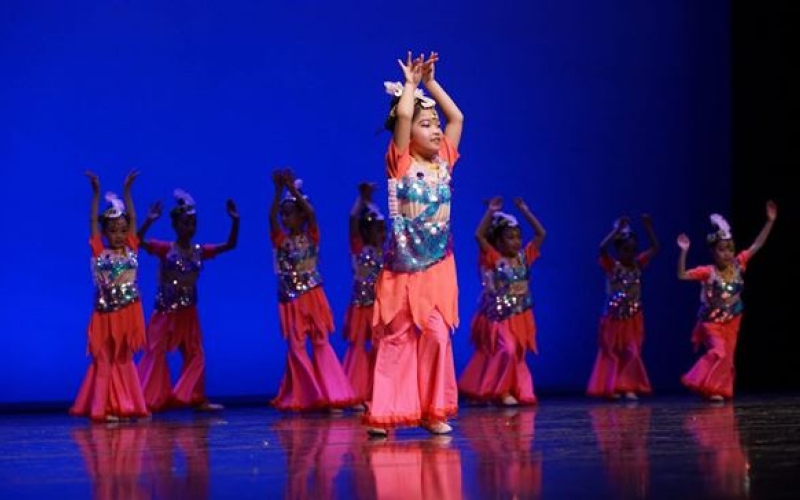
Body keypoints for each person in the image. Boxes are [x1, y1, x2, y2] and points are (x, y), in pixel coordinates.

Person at [365, 51, 464, 436]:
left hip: (437, 268)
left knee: (437, 335)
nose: (436, 130)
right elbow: (404, 116)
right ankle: (385, 412)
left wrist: (432, 83)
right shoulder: (401, 163)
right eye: (427, 125)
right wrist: (410, 85)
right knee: (397, 336)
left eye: (435, 125)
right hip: (403, 269)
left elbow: (457, 118)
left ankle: (434, 410)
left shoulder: (445, 161)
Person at [135, 189, 239, 412]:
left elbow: (230, 245)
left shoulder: (199, 251)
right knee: (155, 352)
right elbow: (136, 241)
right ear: (175, 225)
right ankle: (149, 400)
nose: (190, 228)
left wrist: (235, 221)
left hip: (188, 313)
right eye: (185, 223)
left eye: (193, 223)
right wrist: (149, 221)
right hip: (165, 312)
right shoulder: (165, 249)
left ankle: (196, 398)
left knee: (195, 354)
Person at [269, 168, 356, 411]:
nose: (284, 218)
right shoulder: (280, 240)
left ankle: (332, 395)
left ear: (301, 216)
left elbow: (311, 213)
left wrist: (292, 190)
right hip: (291, 300)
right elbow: (271, 218)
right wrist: (279, 191)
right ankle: (307, 396)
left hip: (314, 296)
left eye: (289, 214)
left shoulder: (312, 235)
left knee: (320, 342)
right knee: (296, 346)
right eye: (284, 214)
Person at [677, 200, 777, 401]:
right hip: (711, 321)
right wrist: (684, 251)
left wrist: (770, 222)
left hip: (733, 318)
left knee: (727, 358)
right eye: (722, 250)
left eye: (730, 249)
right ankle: (702, 383)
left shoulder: (739, 264)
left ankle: (715, 390)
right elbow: (682, 275)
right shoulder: (708, 271)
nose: (727, 254)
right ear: (713, 252)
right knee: (719, 353)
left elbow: (757, 244)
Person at [70, 170, 150, 422]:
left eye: (123, 230)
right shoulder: (98, 250)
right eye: (113, 230)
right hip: (104, 314)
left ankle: (125, 405)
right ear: (105, 232)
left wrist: (127, 192)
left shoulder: (132, 248)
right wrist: (96, 194)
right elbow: (93, 221)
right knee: (103, 358)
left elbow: (134, 218)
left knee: (124, 358)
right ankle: (101, 409)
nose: (119, 235)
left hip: (129, 312)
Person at [458, 196, 546, 406]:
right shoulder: (493, 258)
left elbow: (541, 234)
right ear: (498, 241)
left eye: (518, 237)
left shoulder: (524, 257)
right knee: (507, 350)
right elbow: (479, 235)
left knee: (516, 353)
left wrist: (525, 210)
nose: (516, 241)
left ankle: (499, 390)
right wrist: (490, 211)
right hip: (497, 318)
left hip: (521, 316)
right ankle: (502, 391)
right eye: (510, 237)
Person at [586, 214, 659, 401]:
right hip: (613, 318)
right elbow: (602, 248)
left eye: (633, 250)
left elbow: (655, 248)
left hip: (633, 318)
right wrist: (616, 231)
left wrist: (648, 228)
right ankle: (612, 387)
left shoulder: (638, 264)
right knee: (612, 352)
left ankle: (628, 385)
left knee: (632, 352)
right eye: (626, 250)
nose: (630, 254)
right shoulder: (612, 266)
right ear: (618, 250)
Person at [342, 182, 387, 407]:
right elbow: (352, 220)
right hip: (361, 306)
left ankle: (378, 391)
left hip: (379, 307)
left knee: (380, 347)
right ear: (367, 231)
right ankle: (354, 392)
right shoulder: (359, 249)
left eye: (383, 230)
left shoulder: (386, 253)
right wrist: (362, 200)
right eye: (378, 230)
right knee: (358, 346)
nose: (382, 234)